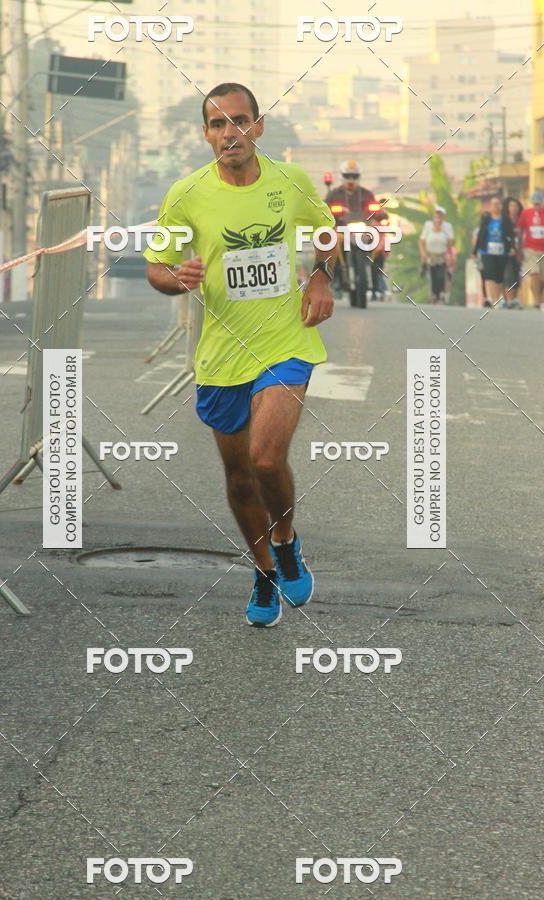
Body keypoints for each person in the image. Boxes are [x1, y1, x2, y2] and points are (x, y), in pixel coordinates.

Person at [144, 82, 336, 628]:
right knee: (239, 478)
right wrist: (176, 278)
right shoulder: (186, 195)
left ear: (259, 126)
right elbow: (157, 265)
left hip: (285, 342)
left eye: (241, 120)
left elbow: (326, 232)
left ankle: (285, 540)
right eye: (218, 124)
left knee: (267, 457)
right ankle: (264, 569)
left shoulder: (290, 181)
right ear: (206, 134)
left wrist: (320, 277)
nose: (232, 133)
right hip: (223, 355)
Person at [325, 161, 376, 307]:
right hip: (341, 229)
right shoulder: (334, 194)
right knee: (329, 247)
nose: (351, 180)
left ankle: (372, 269)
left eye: (354, 176)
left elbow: (377, 210)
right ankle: (334, 276)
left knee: (377, 247)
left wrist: (379, 213)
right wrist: (328, 213)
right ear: (342, 176)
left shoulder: (367, 194)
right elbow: (323, 209)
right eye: (348, 176)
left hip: (362, 230)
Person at [472, 196, 515, 308]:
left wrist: (512, 247)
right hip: (487, 251)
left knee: (499, 276)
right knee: (488, 274)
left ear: (500, 206)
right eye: (493, 204)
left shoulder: (505, 219)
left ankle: (496, 299)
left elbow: (511, 235)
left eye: (497, 204)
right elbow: (480, 235)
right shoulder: (486, 219)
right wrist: (475, 250)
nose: (495, 206)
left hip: (502, 251)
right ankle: (490, 298)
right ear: (490, 207)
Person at [420, 207, 455, 303]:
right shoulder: (428, 226)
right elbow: (422, 241)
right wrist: (423, 253)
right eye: (436, 215)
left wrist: (450, 256)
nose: (438, 218)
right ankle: (434, 295)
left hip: (442, 256)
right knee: (432, 275)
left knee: (441, 275)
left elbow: (450, 243)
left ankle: (442, 294)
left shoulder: (447, 228)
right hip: (431, 256)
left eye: (440, 215)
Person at [517, 191, 544, 309]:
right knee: (534, 274)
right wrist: (519, 247)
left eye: (539, 204)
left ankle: (541, 299)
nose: (537, 206)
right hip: (530, 248)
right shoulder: (526, 213)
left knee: (542, 277)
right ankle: (536, 300)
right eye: (535, 204)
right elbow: (520, 229)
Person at [502, 196, 523, 309]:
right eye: (511, 206)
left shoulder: (521, 221)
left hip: (519, 252)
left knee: (517, 275)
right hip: (507, 253)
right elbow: (503, 236)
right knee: (508, 276)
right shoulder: (505, 221)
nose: (513, 208)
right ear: (508, 208)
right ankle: (509, 300)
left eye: (515, 206)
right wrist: (509, 248)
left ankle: (515, 299)